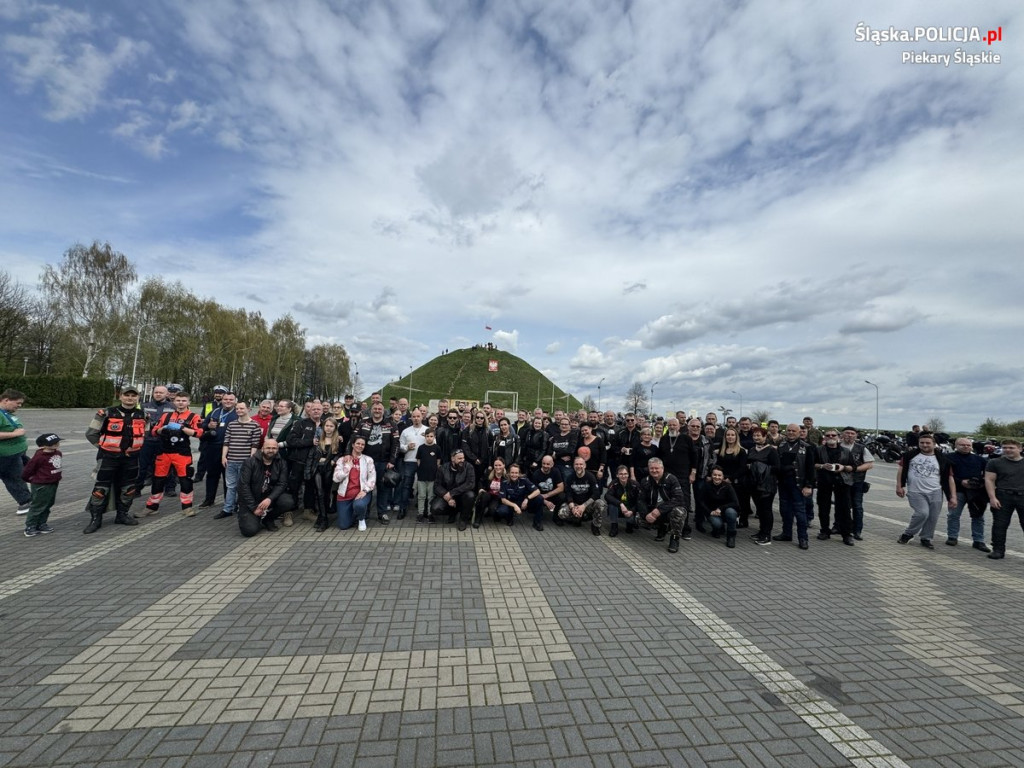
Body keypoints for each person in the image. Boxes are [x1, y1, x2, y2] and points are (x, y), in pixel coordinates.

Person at [83, 384, 148, 534]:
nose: (130, 398)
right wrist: (104, 447)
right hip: (108, 458)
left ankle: (122, 515)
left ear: (137, 398)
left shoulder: (143, 415)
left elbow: (145, 434)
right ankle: (95, 519)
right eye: (127, 395)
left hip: (131, 459)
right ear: (120, 397)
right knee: (101, 489)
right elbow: (91, 433)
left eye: (133, 396)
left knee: (129, 489)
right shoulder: (106, 413)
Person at [145, 392, 204, 518]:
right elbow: (155, 431)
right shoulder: (166, 415)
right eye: (178, 400)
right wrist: (164, 428)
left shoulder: (193, 416)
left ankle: (187, 507)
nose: (181, 403)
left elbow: (199, 433)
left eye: (183, 400)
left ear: (188, 402)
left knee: (185, 480)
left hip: (182, 452)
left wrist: (182, 428)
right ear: (174, 402)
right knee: (158, 480)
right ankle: (151, 507)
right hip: (164, 452)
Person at [896, 432, 952, 549]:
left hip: (936, 491)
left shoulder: (942, 458)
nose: (925, 445)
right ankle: (908, 533)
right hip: (916, 491)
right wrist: (899, 485)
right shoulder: (909, 455)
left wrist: (952, 496)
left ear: (934, 444)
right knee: (922, 513)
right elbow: (901, 470)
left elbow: (949, 477)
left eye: (928, 443)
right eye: (922, 443)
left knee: (933, 516)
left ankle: (926, 538)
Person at [237, 439, 294, 537]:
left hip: (268, 498)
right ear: (262, 448)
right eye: (268, 448)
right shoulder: (250, 462)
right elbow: (243, 486)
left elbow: (282, 483)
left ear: (277, 449)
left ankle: (268, 519)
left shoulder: (281, 462)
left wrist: (269, 499)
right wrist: (254, 507)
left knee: (287, 501)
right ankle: (256, 517)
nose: (271, 450)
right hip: (252, 500)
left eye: (274, 448)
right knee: (249, 531)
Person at [355, 402, 400, 524]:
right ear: (371, 410)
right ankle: (365, 512)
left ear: (383, 411)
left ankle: (382, 513)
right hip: (365, 461)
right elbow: (354, 439)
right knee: (365, 487)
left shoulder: (391, 424)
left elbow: (396, 444)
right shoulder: (363, 423)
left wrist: (392, 460)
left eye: (380, 408)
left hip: (383, 462)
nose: (377, 411)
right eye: (375, 408)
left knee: (383, 488)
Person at [216, 401, 262, 520]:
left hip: (245, 461)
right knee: (230, 486)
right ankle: (227, 509)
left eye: (242, 408)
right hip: (231, 460)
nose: (239, 411)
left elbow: (254, 444)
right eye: (237, 409)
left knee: (243, 485)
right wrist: (223, 456)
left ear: (248, 409)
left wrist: (250, 460)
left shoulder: (254, 425)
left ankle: (241, 506)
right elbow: (226, 442)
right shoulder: (231, 424)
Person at [774, 423, 816, 549]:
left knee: (800, 512)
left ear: (799, 433)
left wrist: (809, 485)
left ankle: (803, 538)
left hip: (799, 485)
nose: (791, 433)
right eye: (789, 430)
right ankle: (786, 533)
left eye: (794, 431)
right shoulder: (781, 445)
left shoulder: (807, 447)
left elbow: (810, 468)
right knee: (785, 510)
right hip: (783, 484)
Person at [945, 437, 991, 552]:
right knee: (953, 515)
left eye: (968, 445)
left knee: (978, 516)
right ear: (956, 446)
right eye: (962, 445)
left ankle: (978, 540)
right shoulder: (948, 458)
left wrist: (979, 482)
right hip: (958, 491)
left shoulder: (979, 460)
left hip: (976, 492)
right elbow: (945, 475)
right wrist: (961, 481)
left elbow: (987, 475)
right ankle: (952, 537)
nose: (966, 447)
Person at [639, 457, 691, 553]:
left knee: (678, 512)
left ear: (662, 468)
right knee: (638, 518)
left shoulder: (671, 479)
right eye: (651, 468)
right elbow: (640, 500)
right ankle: (661, 528)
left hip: (669, 510)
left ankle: (675, 539)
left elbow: (678, 498)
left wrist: (658, 510)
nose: (654, 470)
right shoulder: (645, 481)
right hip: (653, 510)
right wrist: (646, 514)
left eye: (657, 468)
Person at [984, 439, 1024, 560]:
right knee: (1000, 525)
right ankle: (998, 550)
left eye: (1011, 448)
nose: (1007, 450)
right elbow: (989, 480)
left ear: (1020, 449)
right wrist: (992, 497)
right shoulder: (994, 462)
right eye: (1005, 447)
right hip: (1003, 496)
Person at [813, 429, 855, 545]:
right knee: (823, 507)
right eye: (828, 435)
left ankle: (846, 534)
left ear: (838, 437)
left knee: (844, 508)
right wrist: (822, 466)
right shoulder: (818, 450)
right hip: (824, 481)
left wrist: (843, 467)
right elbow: (812, 464)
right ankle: (824, 531)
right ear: (824, 437)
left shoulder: (846, 451)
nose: (830, 436)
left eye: (833, 435)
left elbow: (853, 467)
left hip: (842, 482)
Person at [284, 400, 322, 525]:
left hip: (314, 463)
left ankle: (308, 511)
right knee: (293, 487)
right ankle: (288, 512)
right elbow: (290, 440)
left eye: (318, 409)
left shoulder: (325, 424)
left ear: (322, 411)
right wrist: (309, 442)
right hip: (299, 461)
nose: (316, 411)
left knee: (311, 488)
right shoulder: (301, 423)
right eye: (313, 409)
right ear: (309, 411)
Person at [198, 392, 238, 508]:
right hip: (213, 448)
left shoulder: (238, 413)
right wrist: (208, 426)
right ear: (222, 400)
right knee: (211, 475)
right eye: (226, 399)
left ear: (235, 401)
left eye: (231, 399)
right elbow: (203, 425)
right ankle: (209, 499)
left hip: (231, 449)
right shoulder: (216, 411)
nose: (228, 401)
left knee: (228, 477)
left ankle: (228, 501)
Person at [137, 385, 177, 496]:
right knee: (142, 465)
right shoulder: (144, 406)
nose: (158, 394)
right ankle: (137, 489)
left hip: (165, 440)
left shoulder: (173, 407)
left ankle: (169, 488)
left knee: (168, 465)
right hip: (147, 440)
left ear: (167, 394)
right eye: (156, 392)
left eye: (161, 392)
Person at [20, 433, 62, 536]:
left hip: (53, 482)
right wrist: (31, 479)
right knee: (38, 505)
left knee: (48, 504)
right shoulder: (39, 457)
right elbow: (28, 470)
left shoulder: (58, 453)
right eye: (54, 443)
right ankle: (30, 525)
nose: (57, 445)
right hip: (41, 484)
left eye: (57, 442)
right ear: (44, 445)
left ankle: (41, 523)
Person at [334, 435, 376, 531]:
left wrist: (365, 491)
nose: (360, 446)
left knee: (359, 505)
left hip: (360, 493)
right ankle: (352, 514)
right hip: (344, 495)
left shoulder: (368, 460)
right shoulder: (343, 460)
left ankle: (361, 518)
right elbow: (336, 478)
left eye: (362, 444)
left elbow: (372, 479)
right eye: (358, 443)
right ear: (352, 445)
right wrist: (347, 468)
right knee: (343, 526)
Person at [838, 426, 873, 540]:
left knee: (857, 506)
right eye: (847, 433)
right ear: (842, 435)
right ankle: (839, 527)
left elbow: (869, 464)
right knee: (842, 506)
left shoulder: (862, 448)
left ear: (856, 435)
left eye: (852, 433)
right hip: (840, 481)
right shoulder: (837, 447)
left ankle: (857, 530)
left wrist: (854, 469)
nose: (849, 435)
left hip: (857, 481)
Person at [746, 426, 779, 545]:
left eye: (759, 435)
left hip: (767, 485)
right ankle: (761, 531)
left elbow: (776, 467)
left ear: (765, 437)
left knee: (766, 510)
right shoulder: (752, 449)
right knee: (759, 509)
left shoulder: (771, 450)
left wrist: (759, 467)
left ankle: (766, 535)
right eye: (754, 435)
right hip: (754, 484)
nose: (756, 438)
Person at [0, 389, 31, 515]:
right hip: (6, 455)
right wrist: (14, 434)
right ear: (6, 400)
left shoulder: (5, 412)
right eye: (17, 403)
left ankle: (39, 493)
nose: (19, 406)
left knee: (32, 471)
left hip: (17, 452)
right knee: (14, 478)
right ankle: (25, 502)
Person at [558, 456, 607, 535]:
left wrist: (583, 506)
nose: (579, 466)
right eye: (576, 464)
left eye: (581, 464)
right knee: (562, 513)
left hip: (587, 504)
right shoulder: (570, 477)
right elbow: (568, 493)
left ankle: (595, 525)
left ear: (585, 466)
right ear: (574, 466)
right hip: (575, 503)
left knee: (600, 503)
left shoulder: (590, 477)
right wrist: (573, 508)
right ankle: (577, 517)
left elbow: (596, 493)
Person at [432, 448, 476, 531]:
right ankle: (452, 512)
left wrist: (452, 493)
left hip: (461, 494)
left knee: (470, 495)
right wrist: (446, 496)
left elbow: (470, 484)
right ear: (452, 458)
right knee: (436, 508)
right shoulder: (443, 468)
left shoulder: (469, 467)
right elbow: (437, 485)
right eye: (459, 458)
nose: (462, 460)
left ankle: (463, 519)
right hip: (447, 495)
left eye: (463, 458)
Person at [397, 410, 427, 518]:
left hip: (423, 462)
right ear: (411, 418)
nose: (416, 418)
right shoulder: (406, 431)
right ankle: (402, 508)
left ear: (422, 417)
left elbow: (433, 444)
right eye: (414, 416)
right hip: (409, 461)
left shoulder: (427, 430)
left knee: (424, 486)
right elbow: (400, 446)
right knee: (406, 485)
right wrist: (407, 447)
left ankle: (423, 510)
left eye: (418, 416)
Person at [702, 467, 740, 547]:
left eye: (719, 475)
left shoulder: (728, 486)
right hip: (712, 512)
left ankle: (731, 537)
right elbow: (701, 501)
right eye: (714, 475)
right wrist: (709, 512)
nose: (717, 477)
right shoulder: (706, 486)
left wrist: (721, 508)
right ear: (711, 475)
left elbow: (735, 503)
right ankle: (718, 529)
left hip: (725, 511)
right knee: (717, 524)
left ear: (723, 477)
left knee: (731, 512)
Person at [604, 464, 643, 537]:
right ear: (617, 475)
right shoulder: (614, 483)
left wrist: (632, 511)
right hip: (619, 509)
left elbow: (640, 500)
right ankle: (614, 526)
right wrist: (620, 504)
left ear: (628, 475)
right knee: (612, 505)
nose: (623, 476)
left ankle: (631, 523)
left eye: (625, 474)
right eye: (621, 474)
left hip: (631, 509)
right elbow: (607, 496)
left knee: (629, 529)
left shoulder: (635, 485)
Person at [529, 455, 565, 531]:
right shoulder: (536, 474)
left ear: (552, 464)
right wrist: (545, 501)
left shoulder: (556, 471)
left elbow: (561, 487)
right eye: (543, 463)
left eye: (548, 464)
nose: (545, 466)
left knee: (562, 496)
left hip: (549, 494)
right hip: (539, 496)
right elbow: (533, 492)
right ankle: (537, 522)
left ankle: (556, 518)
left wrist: (547, 495)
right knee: (538, 499)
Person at [415, 428, 442, 523]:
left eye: (431, 436)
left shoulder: (437, 448)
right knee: (421, 495)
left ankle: (431, 514)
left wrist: (436, 469)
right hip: (422, 476)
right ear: (424, 437)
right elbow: (418, 460)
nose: (429, 438)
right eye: (427, 436)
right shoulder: (421, 448)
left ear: (434, 437)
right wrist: (421, 469)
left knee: (431, 496)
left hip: (433, 476)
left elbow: (438, 461)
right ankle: (420, 513)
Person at [474, 458, 508, 527]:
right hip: (488, 495)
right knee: (484, 496)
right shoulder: (488, 473)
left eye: (500, 465)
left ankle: (492, 513)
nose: (497, 467)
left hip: (498, 498)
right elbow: (481, 481)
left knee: (492, 509)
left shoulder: (507, 477)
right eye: (495, 465)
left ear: (504, 465)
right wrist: (480, 489)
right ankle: (478, 519)